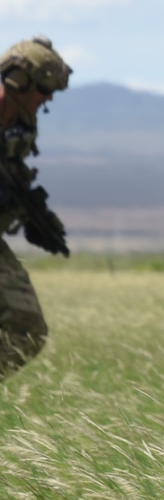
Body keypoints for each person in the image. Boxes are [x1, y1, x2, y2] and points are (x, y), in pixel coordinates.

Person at [0, 36, 71, 380]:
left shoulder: (21, 125)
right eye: (44, 89)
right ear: (18, 81)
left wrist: (32, 215)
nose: (49, 99)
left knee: (27, 331)